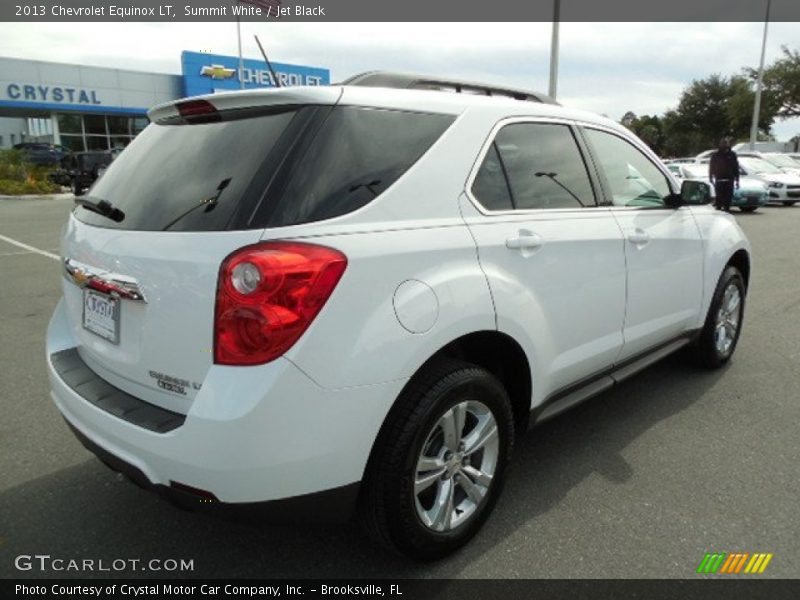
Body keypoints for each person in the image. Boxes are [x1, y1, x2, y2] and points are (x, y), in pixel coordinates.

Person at [708, 137, 740, 212]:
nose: (724, 144)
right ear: (720, 144)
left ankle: (727, 210)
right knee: (719, 198)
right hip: (719, 180)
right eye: (723, 143)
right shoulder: (715, 155)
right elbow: (711, 166)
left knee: (728, 198)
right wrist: (711, 177)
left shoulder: (732, 154)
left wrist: (737, 180)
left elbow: (736, 167)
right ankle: (718, 209)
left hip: (729, 180)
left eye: (726, 143)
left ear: (728, 144)